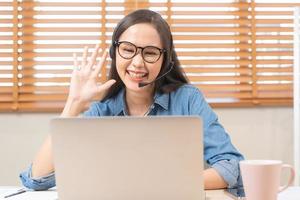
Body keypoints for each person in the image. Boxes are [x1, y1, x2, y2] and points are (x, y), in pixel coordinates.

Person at [20, 9, 244, 191]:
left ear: (165, 60)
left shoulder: (187, 99)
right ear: (114, 53)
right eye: (128, 50)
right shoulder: (102, 111)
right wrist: (73, 104)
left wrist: (163, 187)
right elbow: (37, 179)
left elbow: (232, 167)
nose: (137, 63)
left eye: (149, 52)